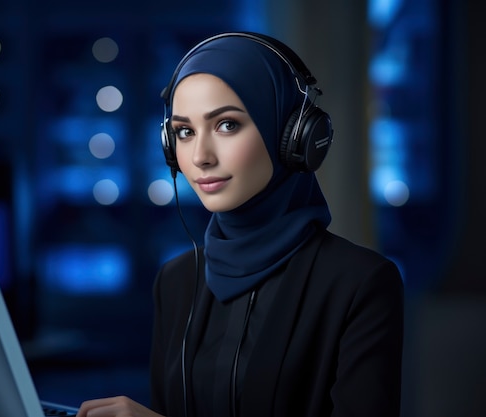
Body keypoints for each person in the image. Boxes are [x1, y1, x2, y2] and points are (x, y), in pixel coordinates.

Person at [76, 31, 404, 417]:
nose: (200, 156)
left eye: (227, 125)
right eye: (184, 132)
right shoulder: (176, 282)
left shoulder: (360, 284)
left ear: (292, 137)